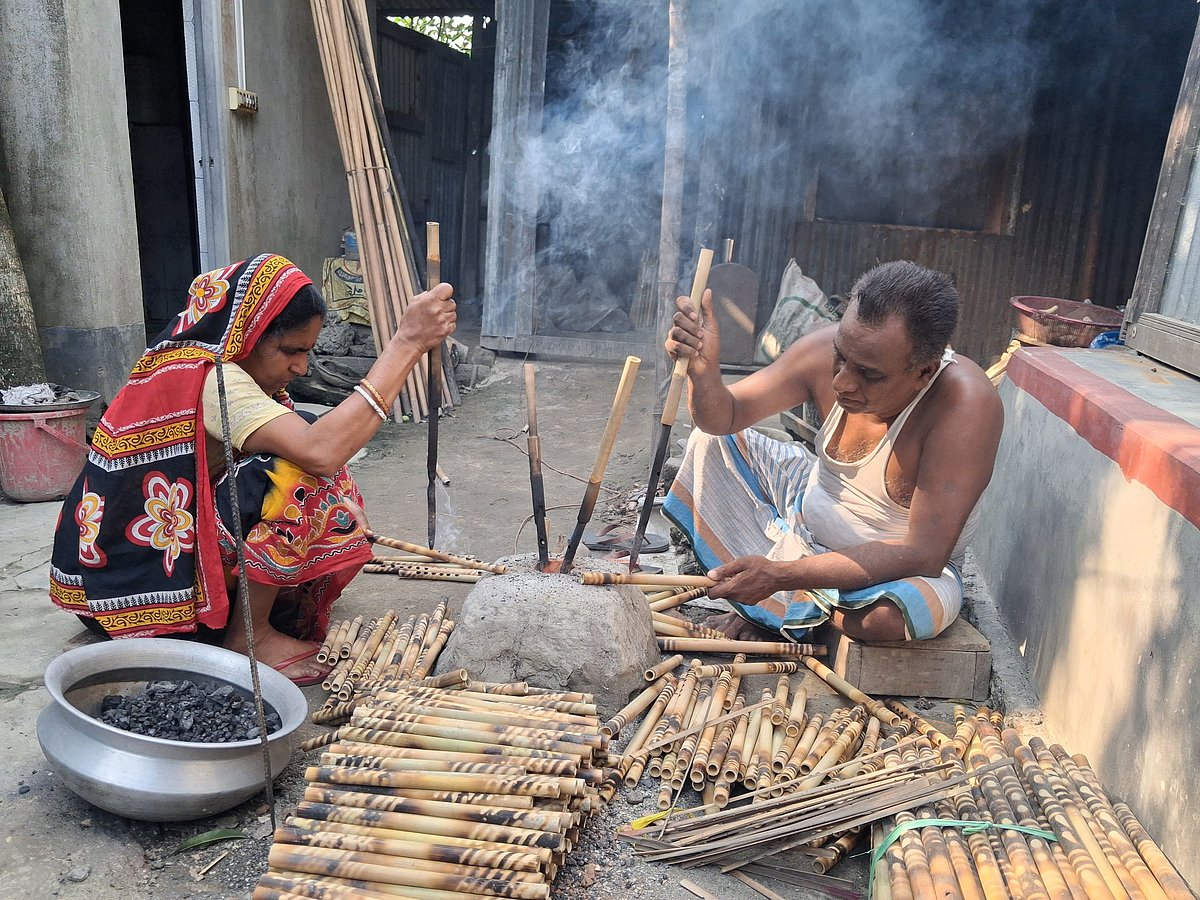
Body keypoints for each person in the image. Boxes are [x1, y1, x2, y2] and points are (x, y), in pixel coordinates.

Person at [49, 253, 455, 684]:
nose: (301, 367)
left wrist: (337, 495)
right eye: (290, 351)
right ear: (248, 334)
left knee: (317, 460)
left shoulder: (190, 364)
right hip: (132, 596)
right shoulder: (213, 378)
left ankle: (249, 614)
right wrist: (406, 344)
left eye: (307, 352)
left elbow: (322, 449)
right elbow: (321, 451)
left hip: (123, 580)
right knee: (294, 479)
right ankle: (250, 637)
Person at [662, 260, 1002, 643]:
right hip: (803, 519)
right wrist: (703, 372)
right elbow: (725, 416)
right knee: (710, 443)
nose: (841, 382)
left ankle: (784, 607)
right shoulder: (824, 348)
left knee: (887, 619)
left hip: (901, 571)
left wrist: (782, 576)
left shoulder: (964, 405)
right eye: (841, 356)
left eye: (868, 374)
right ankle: (793, 603)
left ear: (924, 372)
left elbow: (924, 553)